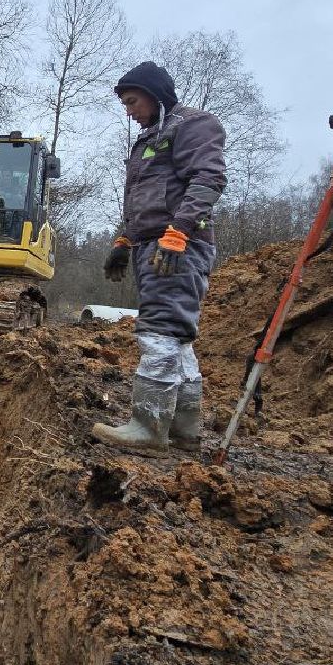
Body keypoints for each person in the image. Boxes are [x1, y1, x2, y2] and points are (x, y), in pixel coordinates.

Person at [92, 61, 226, 456]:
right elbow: (147, 200)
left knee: (159, 331)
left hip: (177, 246)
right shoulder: (152, 137)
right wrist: (125, 239)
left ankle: (149, 428)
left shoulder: (192, 125)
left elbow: (209, 179)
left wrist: (179, 231)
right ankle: (185, 431)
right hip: (156, 243)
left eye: (133, 101)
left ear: (155, 94)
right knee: (178, 339)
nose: (129, 111)